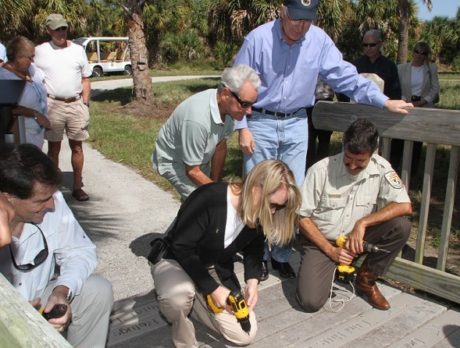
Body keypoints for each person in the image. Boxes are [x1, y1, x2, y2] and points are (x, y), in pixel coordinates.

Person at [234, 0, 413, 280]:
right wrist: (242, 126)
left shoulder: (319, 41)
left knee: (292, 192)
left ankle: (281, 253)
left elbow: (346, 78)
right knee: (258, 191)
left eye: (307, 20)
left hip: (296, 123)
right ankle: (258, 256)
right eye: (295, 18)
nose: (301, 26)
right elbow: (236, 83)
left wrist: (383, 101)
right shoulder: (257, 39)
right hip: (260, 121)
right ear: (282, 11)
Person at [150, 160, 301, 348]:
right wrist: (213, 289)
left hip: (212, 266)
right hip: (175, 260)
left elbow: (253, 248)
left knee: (244, 335)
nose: (272, 211)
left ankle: (195, 300)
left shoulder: (259, 212)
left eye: (279, 207)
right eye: (272, 204)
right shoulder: (209, 198)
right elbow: (182, 247)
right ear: (256, 187)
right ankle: (184, 331)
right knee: (177, 299)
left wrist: (252, 282)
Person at [0, 143, 113, 347]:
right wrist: (15, 315)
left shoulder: (52, 201)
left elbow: (79, 250)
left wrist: (61, 292)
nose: (52, 205)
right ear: (6, 198)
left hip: (35, 300)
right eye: (41, 200)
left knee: (96, 290)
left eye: (52, 196)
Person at [296, 119, 412, 312]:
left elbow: (405, 206)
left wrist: (363, 223)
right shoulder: (321, 170)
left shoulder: (382, 168)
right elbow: (302, 217)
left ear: (373, 152)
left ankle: (366, 280)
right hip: (322, 240)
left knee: (401, 226)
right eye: (348, 159)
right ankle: (327, 265)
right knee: (310, 302)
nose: (352, 166)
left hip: (356, 239)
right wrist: (330, 250)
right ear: (344, 145)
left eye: (360, 162)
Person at [152, 64, 260, 201]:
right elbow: (192, 170)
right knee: (201, 203)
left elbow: (220, 146)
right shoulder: (197, 120)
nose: (249, 111)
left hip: (197, 160)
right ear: (226, 94)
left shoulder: (230, 110)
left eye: (252, 104)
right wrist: (220, 194)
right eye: (245, 104)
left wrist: (215, 183)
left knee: (208, 202)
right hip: (174, 161)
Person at [34, 13, 92, 201]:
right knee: (54, 148)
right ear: (48, 30)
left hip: (76, 104)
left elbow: (85, 78)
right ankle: (54, 189)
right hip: (53, 105)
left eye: (63, 28)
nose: (61, 32)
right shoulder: (40, 51)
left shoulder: (77, 50)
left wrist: (85, 102)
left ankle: (77, 186)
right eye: (57, 29)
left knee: (77, 147)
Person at [397, 41, 440, 174]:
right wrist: (406, 100)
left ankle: (412, 171)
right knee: (399, 140)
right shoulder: (401, 68)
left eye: (423, 53)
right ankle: (395, 167)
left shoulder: (431, 68)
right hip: (405, 105)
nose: (419, 55)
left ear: (426, 55)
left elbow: (435, 88)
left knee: (417, 141)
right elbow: (397, 87)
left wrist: (423, 101)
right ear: (413, 52)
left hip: (423, 107)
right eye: (417, 51)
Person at [0, 36, 50, 148]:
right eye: (30, 57)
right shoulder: (4, 77)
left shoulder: (32, 69)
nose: (33, 61)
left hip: (37, 134)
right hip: (20, 135)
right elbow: (6, 109)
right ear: (18, 57)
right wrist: (35, 114)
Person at [306, 79, 334, 170]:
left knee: (324, 139)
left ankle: (321, 169)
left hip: (327, 102)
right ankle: (308, 169)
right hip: (309, 102)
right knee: (309, 138)